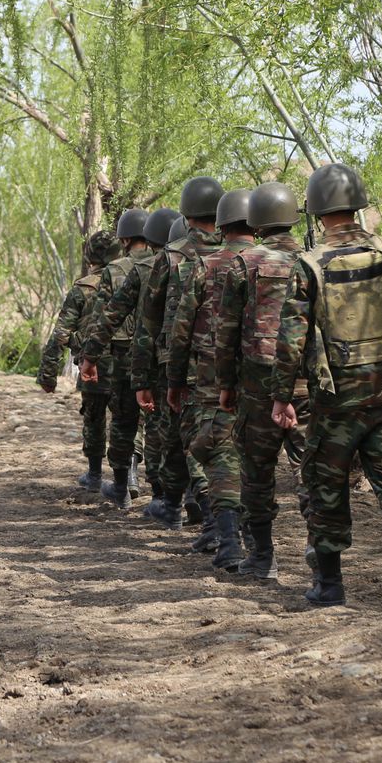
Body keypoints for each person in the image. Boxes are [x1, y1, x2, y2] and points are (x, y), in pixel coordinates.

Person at [270, 164, 382, 610]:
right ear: (358, 204)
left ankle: (329, 585)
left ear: (318, 210)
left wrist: (282, 395)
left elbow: (291, 338)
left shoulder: (309, 264)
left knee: (325, 485)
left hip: (335, 398)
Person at [214, 182, 310, 581]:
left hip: (257, 386)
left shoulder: (243, 264)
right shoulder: (313, 261)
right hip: (308, 383)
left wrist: (225, 383)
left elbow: (227, 331)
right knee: (313, 471)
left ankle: (262, 556)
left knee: (257, 472)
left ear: (257, 221)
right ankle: (320, 554)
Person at [167, 189, 254, 569]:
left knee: (221, 456)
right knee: (260, 460)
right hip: (275, 380)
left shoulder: (207, 265)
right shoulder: (288, 261)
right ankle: (261, 547)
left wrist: (173, 380)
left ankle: (231, 540)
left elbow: (180, 330)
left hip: (212, 379)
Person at [133, 178, 222, 529]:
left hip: (179, 367)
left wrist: (142, 379)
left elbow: (148, 324)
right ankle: (184, 506)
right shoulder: (238, 252)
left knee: (186, 440)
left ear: (185, 215)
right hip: (231, 364)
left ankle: (207, 517)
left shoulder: (170, 257)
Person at [36, 230, 122, 491]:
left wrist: (48, 374)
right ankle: (126, 477)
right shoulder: (128, 280)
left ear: (90, 255)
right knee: (126, 419)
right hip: (126, 364)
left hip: (91, 366)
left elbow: (61, 333)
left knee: (94, 418)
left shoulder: (82, 289)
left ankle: (95, 475)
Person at [77, 208, 151, 508]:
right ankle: (144, 481)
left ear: (124, 238)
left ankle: (121, 485)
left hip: (123, 356)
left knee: (123, 419)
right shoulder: (168, 263)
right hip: (162, 356)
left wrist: (90, 356)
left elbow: (104, 318)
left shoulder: (115, 270)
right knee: (153, 423)